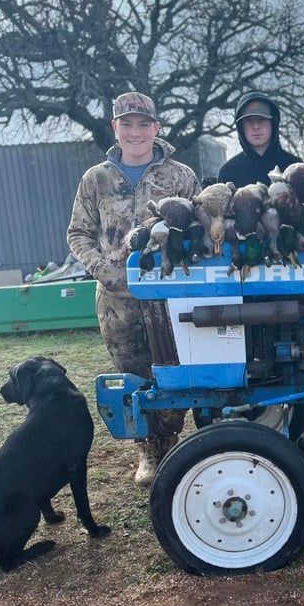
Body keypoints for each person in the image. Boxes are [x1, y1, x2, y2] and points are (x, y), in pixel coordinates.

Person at [67, 92, 201, 485]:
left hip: (166, 297)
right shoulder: (96, 179)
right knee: (133, 374)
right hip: (116, 301)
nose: (136, 132)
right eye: (127, 124)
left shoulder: (180, 177)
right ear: (116, 129)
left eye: (144, 124)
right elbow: (78, 233)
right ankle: (147, 450)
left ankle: (171, 442)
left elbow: (196, 230)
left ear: (156, 128)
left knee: (171, 371)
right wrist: (102, 268)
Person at [217, 90, 304, 450]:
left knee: (300, 340)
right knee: (250, 342)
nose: (256, 128)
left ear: (273, 125)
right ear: (241, 129)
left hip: (289, 268)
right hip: (248, 270)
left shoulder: (295, 165)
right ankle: (253, 417)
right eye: (249, 123)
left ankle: (303, 421)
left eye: (262, 121)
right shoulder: (229, 171)